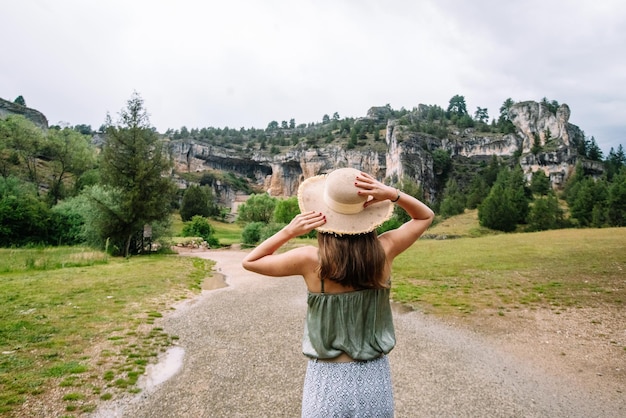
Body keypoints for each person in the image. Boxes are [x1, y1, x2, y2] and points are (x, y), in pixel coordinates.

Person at [242, 167, 434, 417]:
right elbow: (424, 217)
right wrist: (392, 194)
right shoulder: (385, 251)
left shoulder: (310, 260)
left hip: (326, 380)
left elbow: (251, 261)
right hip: (373, 379)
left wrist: (289, 231)